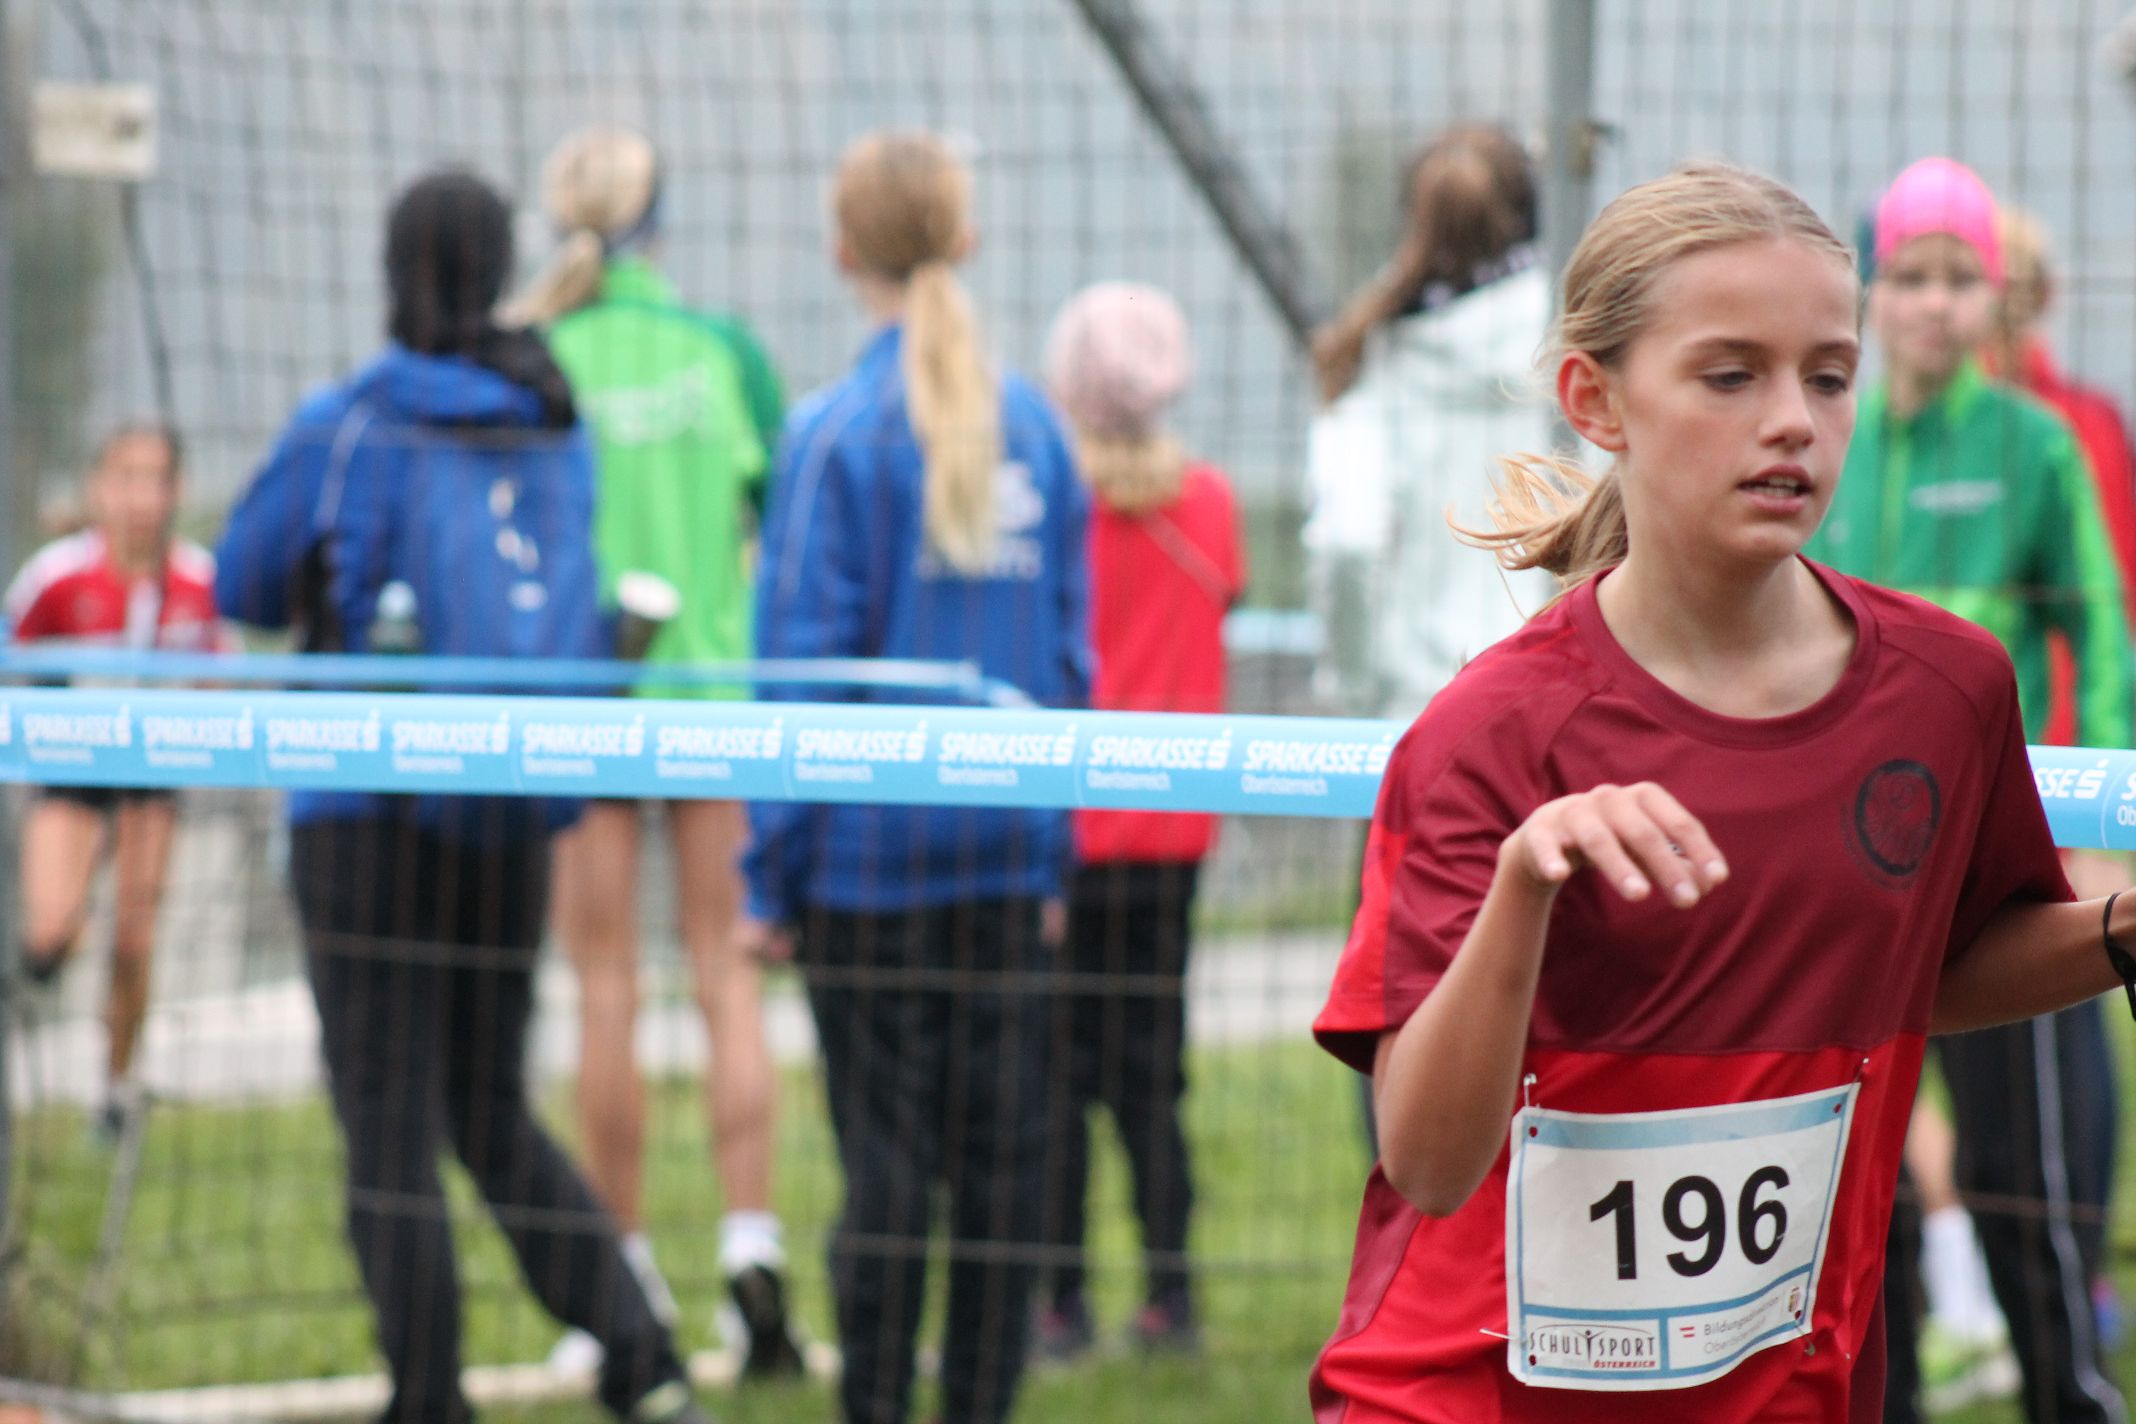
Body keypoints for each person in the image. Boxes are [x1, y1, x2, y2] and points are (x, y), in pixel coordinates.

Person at [1311, 159, 2136, 1422]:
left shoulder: (1948, 691)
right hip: (1465, 1395)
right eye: (1731, 375)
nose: (1793, 419)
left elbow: (1923, 966)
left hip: (1780, 1390)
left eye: (1829, 375)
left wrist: (2118, 931)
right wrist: (1526, 884)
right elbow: (1425, 1161)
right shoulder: (1491, 731)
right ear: (1596, 400)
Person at [214, 170, 709, 1424]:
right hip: (503, 802)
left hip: (365, 815)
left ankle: (430, 1399)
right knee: (488, 1109)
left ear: (394, 270)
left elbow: (245, 582)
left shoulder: (350, 423)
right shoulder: (551, 419)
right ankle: (643, 1360)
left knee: (388, 1125)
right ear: (499, 271)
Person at [741, 130, 1092, 1424]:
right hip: (998, 864)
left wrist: (767, 874)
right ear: (968, 239)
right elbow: (1066, 667)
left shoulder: (831, 435)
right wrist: (1049, 857)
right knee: (999, 1175)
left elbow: (800, 677)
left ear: (844, 251)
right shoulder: (1036, 432)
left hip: (866, 876)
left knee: (885, 1178)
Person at [1805, 157, 2128, 1424]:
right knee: (1856, 1166)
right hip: (1847, 868)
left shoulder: (2037, 444)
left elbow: (2105, 634)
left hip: (2002, 861)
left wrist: (2103, 826)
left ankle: (2067, 1392)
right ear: (1872, 294)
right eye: (1909, 276)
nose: (1933, 303)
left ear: (1996, 297)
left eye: (1959, 278)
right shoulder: (1830, 441)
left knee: (2025, 1171)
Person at [506, 122, 802, 1381]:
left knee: (605, 985)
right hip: (714, 701)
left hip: (587, 705)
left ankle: (620, 1279)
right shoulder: (722, 350)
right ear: (660, 222)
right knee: (729, 977)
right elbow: (780, 516)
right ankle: (752, 1248)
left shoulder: (536, 357)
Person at [1033, 281, 1244, 1360]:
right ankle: (1170, 1297)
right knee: (1153, 1077)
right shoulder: (1208, 501)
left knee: (1058, 1081)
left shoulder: (1054, 504)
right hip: (1172, 833)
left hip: (1072, 836)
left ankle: (1059, 1304)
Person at [5, 423, 229, 1140]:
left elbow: (223, 678)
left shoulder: (199, 581)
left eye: (154, 478)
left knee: (135, 942)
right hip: (71, 772)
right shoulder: (55, 576)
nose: (139, 497)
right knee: (51, 930)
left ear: (177, 490)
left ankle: (114, 1090)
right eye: (125, 476)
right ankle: (47, 960)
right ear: (99, 487)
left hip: (151, 780)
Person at [1303, 121, 1556, 725]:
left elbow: (1348, 540)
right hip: (1562, 697)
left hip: (1423, 712)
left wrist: (1355, 690)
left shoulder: (1375, 358)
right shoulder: (1591, 357)